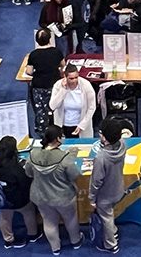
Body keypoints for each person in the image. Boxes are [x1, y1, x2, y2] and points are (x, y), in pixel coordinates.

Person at [26, 126, 86, 253]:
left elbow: (29, 173)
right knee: (70, 219)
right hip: (63, 197)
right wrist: (73, 154)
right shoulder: (64, 158)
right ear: (58, 138)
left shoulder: (33, 154)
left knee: (48, 221)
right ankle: (76, 241)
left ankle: (55, 248)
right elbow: (74, 175)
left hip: (41, 196)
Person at [0, 136, 42, 249]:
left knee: (5, 217)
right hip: (19, 200)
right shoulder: (14, 168)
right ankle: (33, 235)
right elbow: (25, 182)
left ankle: (8, 240)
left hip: (1, 198)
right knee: (29, 212)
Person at [89, 118, 128, 253]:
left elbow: (96, 181)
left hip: (105, 196)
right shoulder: (122, 145)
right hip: (118, 188)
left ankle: (111, 245)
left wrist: (92, 198)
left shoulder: (101, 158)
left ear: (104, 137)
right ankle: (114, 231)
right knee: (109, 215)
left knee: (106, 217)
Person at [25, 28, 65, 137]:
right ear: (50, 39)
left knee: (41, 111)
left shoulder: (33, 54)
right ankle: (58, 129)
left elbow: (29, 71)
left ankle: (43, 133)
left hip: (39, 87)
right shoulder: (57, 52)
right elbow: (63, 65)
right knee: (56, 108)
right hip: (55, 85)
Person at [50, 62, 97, 138]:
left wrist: (82, 125)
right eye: (71, 78)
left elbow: (92, 107)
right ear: (65, 77)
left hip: (81, 125)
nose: (74, 81)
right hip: (63, 125)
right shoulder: (58, 85)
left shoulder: (86, 85)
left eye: (76, 77)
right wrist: (63, 90)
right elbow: (52, 106)